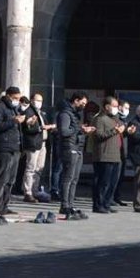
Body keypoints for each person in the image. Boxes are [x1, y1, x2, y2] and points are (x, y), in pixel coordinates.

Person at [56, 92, 93, 220]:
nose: (83, 106)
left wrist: (83, 130)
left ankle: (70, 204)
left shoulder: (75, 114)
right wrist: (78, 129)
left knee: (74, 179)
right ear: (76, 101)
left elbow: (74, 129)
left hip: (77, 148)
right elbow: (64, 131)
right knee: (68, 177)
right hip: (69, 148)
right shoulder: (65, 113)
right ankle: (64, 204)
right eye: (82, 103)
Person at [0, 87, 25, 216]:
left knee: (10, 179)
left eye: (19, 98)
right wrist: (13, 121)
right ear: (9, 96)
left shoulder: (13, 108)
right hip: (3, 147)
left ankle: (4, 204)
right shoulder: (0, 107)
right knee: (2, 177)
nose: (17, 101)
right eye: (15, 98)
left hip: (14, 147)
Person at [88, 97, 125, 214]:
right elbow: (98, 135)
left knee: (113, 182)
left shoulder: (116, 119)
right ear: (106, 106)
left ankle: (107, 203)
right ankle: (98, 205)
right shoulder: (100, 119)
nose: (116, 108)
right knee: (103, 182)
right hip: (103, 156)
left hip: (116, 155)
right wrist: (115, 131)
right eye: (114, 106)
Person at [20, 93, 54, 203]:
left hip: (42, 143)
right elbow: (27, 128)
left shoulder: (40, 113)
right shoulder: (29, 112)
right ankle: (28, 192)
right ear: (32, 100)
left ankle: (35, 190)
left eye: (41, 101)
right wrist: (40, 128)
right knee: (31, 168)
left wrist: (50, 127)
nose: (39, 103)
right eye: (37, 100)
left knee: (39, 168)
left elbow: (45, 124)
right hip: (33, 143)